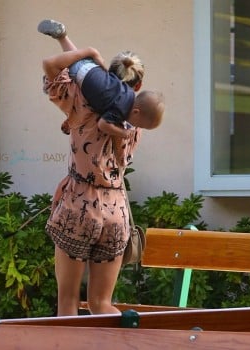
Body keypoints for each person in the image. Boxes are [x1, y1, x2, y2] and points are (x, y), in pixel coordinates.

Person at [38, 19, 165, 316]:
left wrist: (70, 44)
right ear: (139, 87)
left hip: (79, 206)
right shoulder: (137, 122)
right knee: (102, 304)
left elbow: (66, 72)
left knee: (67, 302)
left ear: (108, 76)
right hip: (115, 212)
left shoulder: (80, 105)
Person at [38, 19, 164, 138]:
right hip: (79, 76)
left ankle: (63, 37)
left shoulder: (127, 92)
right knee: (53, 71)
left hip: (93, 68)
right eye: (139, 125)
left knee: (78, 61)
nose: (135, 127)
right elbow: (103, 125)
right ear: (137, 86)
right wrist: (122, 133)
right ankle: (89, 51)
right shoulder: (120, 112)